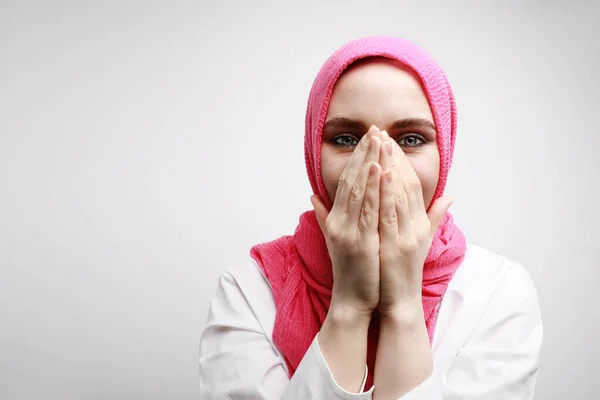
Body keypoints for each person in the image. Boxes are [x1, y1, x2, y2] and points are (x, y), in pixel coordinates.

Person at [199, 36, 543, 399]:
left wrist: (402, 307)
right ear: (314, 154)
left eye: (411, 139)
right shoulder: (249, 289)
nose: (378, 163)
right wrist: (349, 304)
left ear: (445, 152)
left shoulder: (499, 291)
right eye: (347, 139)